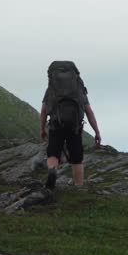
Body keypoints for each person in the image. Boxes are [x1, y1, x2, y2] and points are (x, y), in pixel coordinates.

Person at [40, 60, 101, 189]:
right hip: (75, 126)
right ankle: (78, 186)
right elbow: (89, 111)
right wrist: (97, 132)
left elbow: (44, 111)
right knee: (77, 157)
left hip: (56, 124)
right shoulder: (78, 89)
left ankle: (52, 170)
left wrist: (42, 129)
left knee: (53, 153)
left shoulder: (51, 89)